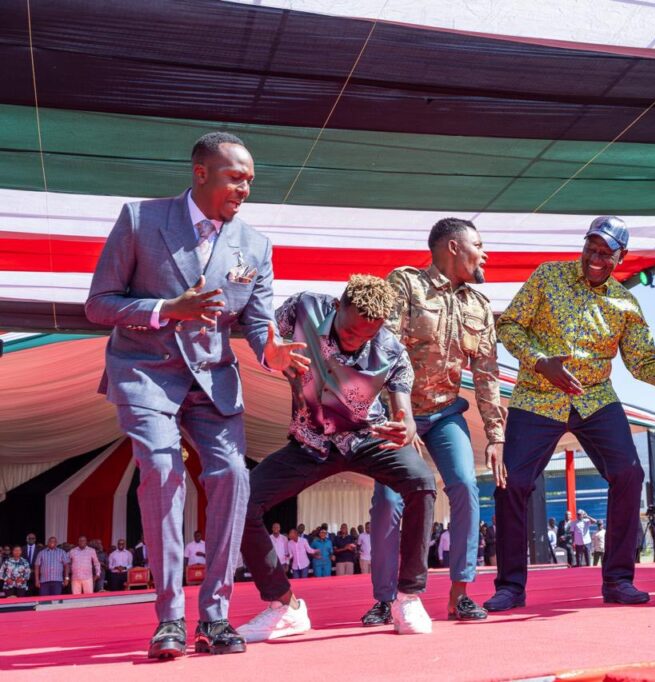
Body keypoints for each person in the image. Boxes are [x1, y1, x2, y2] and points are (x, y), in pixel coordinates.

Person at [84, 132, 309, 659]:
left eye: (250, 180)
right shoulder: (140, 219)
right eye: (236, 177)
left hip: (213, 379)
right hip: (144, 371)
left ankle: (215, 618)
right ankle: (170, 620)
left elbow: (257, 322)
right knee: (162, 470)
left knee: (232, 476)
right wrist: (167, 309)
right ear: (201, 173)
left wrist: (272, 351)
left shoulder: (255, 244)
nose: (245, 188)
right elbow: (99, 303)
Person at [484, 216, 655, 612]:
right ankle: (510, 586)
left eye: (605, 253)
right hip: (537, 394)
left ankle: (618, 579)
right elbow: (509, 326)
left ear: (620, 257)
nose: (595, 258)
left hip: (594, 398)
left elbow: (643, 363)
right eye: (590, 248)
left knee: (629, 473)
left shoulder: (625, 304)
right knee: (513, 483)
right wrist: (540, 361)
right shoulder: (548, 277)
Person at [236, 275, 437, 642]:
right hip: (310, 443)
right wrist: (271, 355)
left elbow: (404, 412)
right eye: (349, 332)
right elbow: (266, 340)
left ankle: (408, 598)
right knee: (240, 503)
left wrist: (406, 427)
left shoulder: (391, 349)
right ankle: (285, 607)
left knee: (422, 482)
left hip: (367, 439)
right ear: (338, 305)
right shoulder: (304, 307)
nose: (355, 341)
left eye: (366, 336)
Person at [368, 218, 505, 625]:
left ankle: (460, 595)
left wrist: (496, 436)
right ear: (453, 247)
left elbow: (487, 375)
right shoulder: (406, 283)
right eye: (478, 245)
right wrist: (400, 415)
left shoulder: (479, 305)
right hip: (398, 413)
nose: (485, 254)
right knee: (389, 501)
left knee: (464, 485)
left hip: (445, 414)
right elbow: (384, 353)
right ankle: (385, 599)